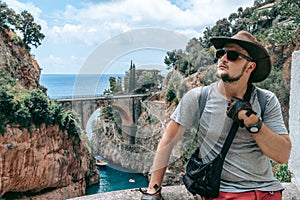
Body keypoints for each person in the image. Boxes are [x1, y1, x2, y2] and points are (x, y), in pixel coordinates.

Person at [140, 30, 291, 200]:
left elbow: (282, 155)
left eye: (233, 55)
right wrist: (153, 189)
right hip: (224, 194)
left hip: (268, 192)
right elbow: (168, 141)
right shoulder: (198, 98)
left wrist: (252, 121)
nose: (223, 58)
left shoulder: (266, 100)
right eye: (221, 53)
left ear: (250, 67)